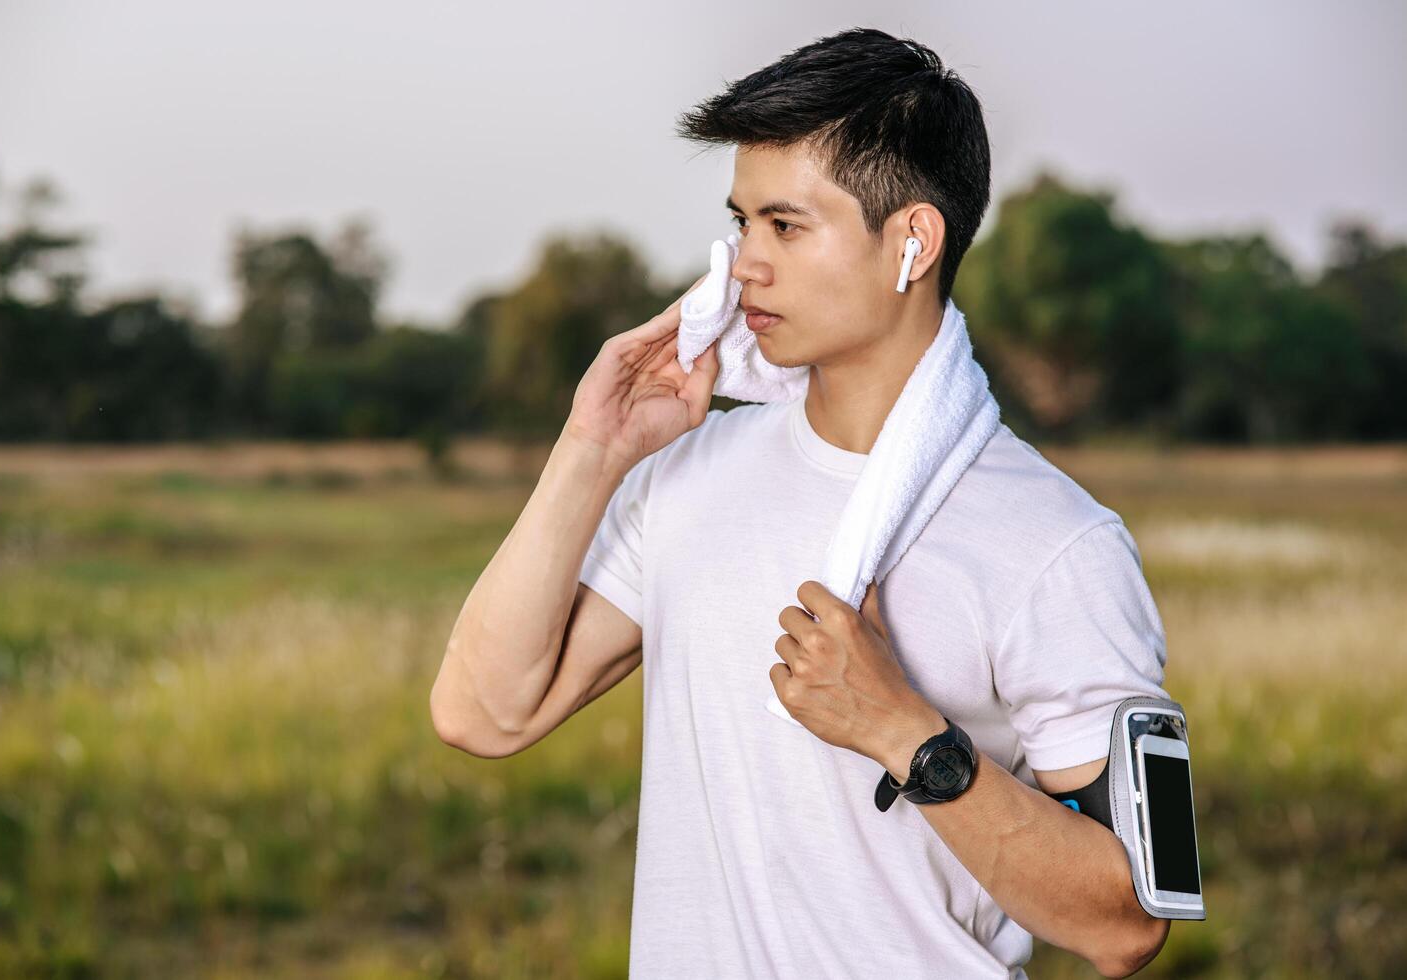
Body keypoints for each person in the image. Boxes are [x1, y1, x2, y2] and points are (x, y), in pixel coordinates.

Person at [432, 27, 1172, 979]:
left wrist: (902, 731)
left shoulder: (1055, 542)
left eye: (784, 226)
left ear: (912, 242)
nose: (744, 265)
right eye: (741, 223)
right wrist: (592, 450)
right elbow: (485, 715)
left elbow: (1126, 926)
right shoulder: (688, 474)